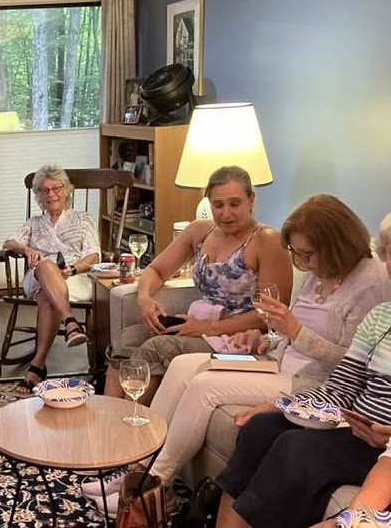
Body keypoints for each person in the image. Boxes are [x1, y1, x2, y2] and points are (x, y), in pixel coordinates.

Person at [82, 196, 391, 512]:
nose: (303, 264)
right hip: (278, 362)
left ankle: (150, 487)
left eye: (307, 255)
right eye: (297, 255)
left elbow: (354, 366)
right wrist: (263, 338)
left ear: (335, 244)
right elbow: (288, 335)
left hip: (309, 381)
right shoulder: (318, 271)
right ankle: (136, 468)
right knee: (182, 366)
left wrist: (296, 331)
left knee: (204, 386)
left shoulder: (370, 285)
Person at [214, 213, 391, 528]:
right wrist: (280, 404)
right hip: (355, 427)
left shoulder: (368, 286)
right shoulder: (381, 317)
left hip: (379, 443)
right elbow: (342, 384)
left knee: (296, 447)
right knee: (262, 427)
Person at [104, 166, 293, 402]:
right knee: (127, 340)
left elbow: (273, 315)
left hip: (239, 339)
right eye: (218, 205)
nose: (226, 213)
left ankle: (137, 430)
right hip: (199, 324)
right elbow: (157, 270)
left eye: (235, 204)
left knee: (158, 348)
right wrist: (144, 298)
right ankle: (108, 419)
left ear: (251, 200)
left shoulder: (267, 240)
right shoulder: (200, 231)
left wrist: (210, 328)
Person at [1, 164, 100, 395]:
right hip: (37, 277)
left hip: (75, 278)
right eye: (44, 191)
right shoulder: (34, 223)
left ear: (67, 191)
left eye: (57, 188)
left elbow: (94, 254)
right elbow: (9, 243)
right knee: (45, 263)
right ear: (38, 196)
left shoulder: (83, 219)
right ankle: (70, 321)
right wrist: (27, 250)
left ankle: (37, 366)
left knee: (48, 295)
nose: (51, 194)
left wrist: (73, 269)